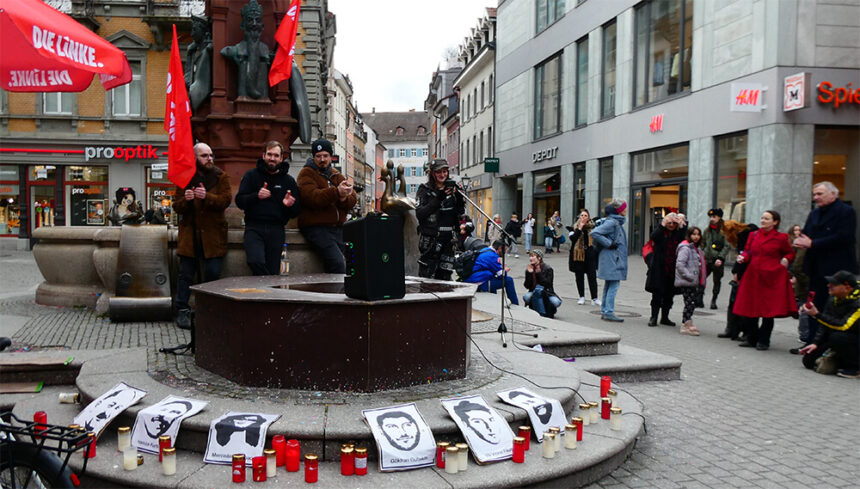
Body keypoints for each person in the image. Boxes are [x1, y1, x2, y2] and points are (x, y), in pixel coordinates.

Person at [173, 142, 232, 329]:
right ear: (195, 158)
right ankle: (181, 310)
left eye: (211, 155)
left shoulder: (220, 176)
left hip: (213, 236)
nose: (209, 159)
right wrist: (187, 200)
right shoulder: (185, 177)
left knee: (213, 273)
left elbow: (225, 200)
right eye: (204, 156)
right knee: (186, 275)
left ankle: (210, 310)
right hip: (190, 236)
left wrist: (207, 197)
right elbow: (176, 206)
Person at [793, 181, 858, 349]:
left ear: (833, 194)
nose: (816, 198)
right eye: (814, 195)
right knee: (814, 304)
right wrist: (800, 239)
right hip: (815, 267)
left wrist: (813, 243)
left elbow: (844, 237)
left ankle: (829, 344)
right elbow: (807, 233)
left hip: (837, 268)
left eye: (819, 194)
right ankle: (811, 341)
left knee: (833, 307)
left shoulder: (846, 212)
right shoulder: (814, 213)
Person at [733, 210, 797, 350]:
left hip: (772, 276)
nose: (763, 221)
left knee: (769, 311)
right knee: (751, 308)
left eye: (767, 219)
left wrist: (786, 259)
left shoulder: (781, 237)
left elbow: (790, 253)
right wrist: (743, 257)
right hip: (753, 275)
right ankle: (751, 338)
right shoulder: (753, 235)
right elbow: (748, 250)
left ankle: (764, 340)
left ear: (775, 222)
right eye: (762, 218)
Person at [235, 141, 300, 276]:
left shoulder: (288, 181)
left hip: (276, 229)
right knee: (255, 261)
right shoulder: (251, 176)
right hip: (254, 227)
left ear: (281, 158)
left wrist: (289, 205)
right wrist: (256, 196)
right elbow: (239, 201)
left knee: (273, 269)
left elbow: (295, 212)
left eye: (276, 155)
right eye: (269, 154)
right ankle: (267, 285)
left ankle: (266, 294)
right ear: (263, 155)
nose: (272, 158)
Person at [297, 139, 357, 274]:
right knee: (336, 262)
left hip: (337, 228)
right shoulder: (306, 173)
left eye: (325, 156)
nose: (322, 159)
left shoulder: (335, 174)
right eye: (318, 156)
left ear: (330, 157)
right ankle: (334, 292)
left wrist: (343, 198)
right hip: (316, 228)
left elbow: (352, 198)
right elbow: (312, 197)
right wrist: (336, 192)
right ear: (314, 157)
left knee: (354, 260)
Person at [799, 271, 859, 378]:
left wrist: (817, 315)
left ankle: (855, 368)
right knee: (808, 360)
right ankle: (838, 360)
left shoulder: (858, 303)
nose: (829, 286)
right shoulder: (833, 298)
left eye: (834, 284)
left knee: (838, 337)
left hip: (853, 338)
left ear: (847, 287)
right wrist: (816, 343)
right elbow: (824, 325)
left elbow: (844, 325)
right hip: (840, 340)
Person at [415, 159, 464, 279]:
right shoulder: (424, 190)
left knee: (445, 277)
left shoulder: (453, 190)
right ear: (432, 173)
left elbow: (460, 213)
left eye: (445, 171)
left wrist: (458, 196)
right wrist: (439, 198)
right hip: (430, 240)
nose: (442, 175)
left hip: (449, 240)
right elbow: (420, 213)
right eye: (438, 172)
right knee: (427, 277)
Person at [718, 220, 759, 340]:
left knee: (738, 303)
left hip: (747, 273)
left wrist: (737, 273)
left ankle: (735, 330)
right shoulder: (748, 232)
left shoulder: (744, 236)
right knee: (736, 302)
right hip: (747, 271)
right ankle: (734, 329)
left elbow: (743, 256)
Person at [645, 212, 687, 327]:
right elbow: (653, 236)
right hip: (659, 269)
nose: (671, 225)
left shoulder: (678, 234)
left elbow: (685, 238)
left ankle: (665, 317)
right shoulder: (661, 232)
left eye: (674, 223)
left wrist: (682, 224)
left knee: (669, 295)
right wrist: (663, 224)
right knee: (657, 295)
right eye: (669, 222)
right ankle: (653, 317)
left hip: (673, 269)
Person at [591, 199, 629, 322]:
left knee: (609, 284)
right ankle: (608, 311)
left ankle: (605, 310)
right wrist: (609, 244)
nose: (626, 210)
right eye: (624, 208)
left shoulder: (614, 222)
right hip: (613, 259)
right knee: (614, 285)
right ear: (619, 210)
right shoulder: (613, 222)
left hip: (611, 258)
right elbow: (595, 233)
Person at [464, 240, 519, 305]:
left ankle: (493, 301)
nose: (505, 252)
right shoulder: (492, 256)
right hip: (480, 283)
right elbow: (502, 275)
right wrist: (504, 270)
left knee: (494, 278)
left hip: (473, 279)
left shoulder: (485, 250)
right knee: (509, 280)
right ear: (500, 248)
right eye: (505, 250)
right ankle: (515, 304)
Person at [675, 226, 706, 336]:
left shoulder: (697, 249)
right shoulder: (686, 248)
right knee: (689, 303)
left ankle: (688, 322)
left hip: (694, 281)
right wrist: (690, 276)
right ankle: (685, 324)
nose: (696, 237)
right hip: (688, 281)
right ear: (689, 235)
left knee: (691, 303)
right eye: (693, 234)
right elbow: (680, 265)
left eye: (698, 234)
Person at [788, 224, 812, 353]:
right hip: (802, 281)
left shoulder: (804, 246)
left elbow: (797, 266)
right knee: (804, 307)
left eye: (799, 230)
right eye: (795, 230)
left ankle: (806, 336)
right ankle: (805, 336)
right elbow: (794, 265)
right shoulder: (795, 245)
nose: (797, 232)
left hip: (805, 281)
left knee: (805, 308)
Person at [568, 209, 599, 306]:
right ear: (579, 217)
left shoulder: (592, 228)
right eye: (582, 215)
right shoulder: (575, 228)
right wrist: (580, 228)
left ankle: (594, 298)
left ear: (588, 217)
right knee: (579, 277)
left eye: (585, 215)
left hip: (590, 255)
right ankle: (581, 297)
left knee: (592, 277)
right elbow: (573, 239)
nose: (583, 217)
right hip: (578, 256)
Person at [701, 208, 728, 309]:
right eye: (710, 217)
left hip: (717, 260)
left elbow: (727, 246)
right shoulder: (707, 230)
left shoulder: (724, 230)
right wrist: (702, 253)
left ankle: (714, 300)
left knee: (717, 281)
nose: (712, 219)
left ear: (719, 217)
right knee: (701, 279)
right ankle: (700, 299)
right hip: (706, 259)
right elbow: (702, 242)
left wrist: (720, 257)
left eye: (714, 217)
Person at [523, 250, 561, 318]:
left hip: (547, 292)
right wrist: (529, 273)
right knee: (527, 297)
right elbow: (527, 286)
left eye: (533, 256)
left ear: (539, 258)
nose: (530, 258)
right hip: (533, 291)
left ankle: (550, 309)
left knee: (556, 302)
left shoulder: (548, 268)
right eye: (530, 256)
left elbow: (548, 284)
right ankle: (542, 313)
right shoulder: (530, 268)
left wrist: (539, 273)